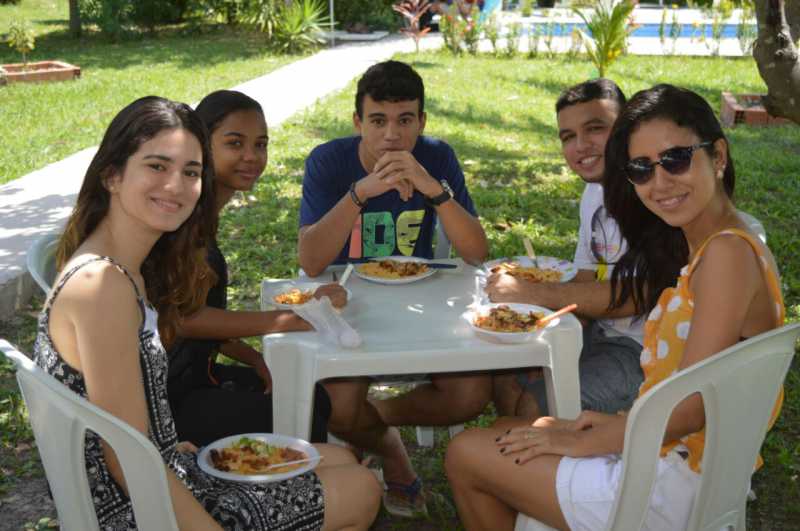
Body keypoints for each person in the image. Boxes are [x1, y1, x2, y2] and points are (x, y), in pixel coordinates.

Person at [445, 84, 785, 530]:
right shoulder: (720, 245)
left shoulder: (725, 255)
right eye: (641, 169)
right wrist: (602, 426)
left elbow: (690, 407)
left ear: (717, 155)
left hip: (672, 484)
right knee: (507, 433)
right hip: (674, 455)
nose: (659, 183)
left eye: (676, 159)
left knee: (466, 453)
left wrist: (586, 440)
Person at [36, 96, 381, 530]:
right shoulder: (101, 286)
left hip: (158, 469)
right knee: (362, 488)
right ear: (112, 174)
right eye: (157, 166)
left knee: (338, 457)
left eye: (191, 172)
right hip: (133, 511)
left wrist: (171, 446)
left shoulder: (120, 267)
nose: (176, 186)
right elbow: (126, 458)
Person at [297, 60, 489, 517]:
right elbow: (312, 262)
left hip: (421, 304)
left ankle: (372, 420)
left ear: (421, 121)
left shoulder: (437, 157)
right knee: (339, 409)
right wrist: (360, 193)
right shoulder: (328, 161)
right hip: (350, 307)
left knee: (469, 396)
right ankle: (393, 452)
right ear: (358, 122)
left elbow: (477, 253)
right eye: (378, 121)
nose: (392, 135)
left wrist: (433, 189)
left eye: (405, 121)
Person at [167, 90, 345, 447]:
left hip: (198, 374)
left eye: (260, 144)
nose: (252, 156)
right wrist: (290, 319)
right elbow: (183, 319)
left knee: (313, 399)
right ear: (201, 145)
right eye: (235, 143)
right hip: (167, 398)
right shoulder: (183, 218)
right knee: (298, 415)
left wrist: (253, 357)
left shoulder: (204, 214)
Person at [487, 79, 645, 419]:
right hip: (599, 331)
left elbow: (636, 295)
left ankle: (529, 442)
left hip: (644, 350)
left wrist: (533, 292)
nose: (581, 146)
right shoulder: (594, 193)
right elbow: (586, 276)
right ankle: (520, 443)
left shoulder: (650, 194)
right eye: (568, 136)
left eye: (595, 129)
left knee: (537, 403)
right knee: (507, 373)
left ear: (627, 126)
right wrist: (546, 335)